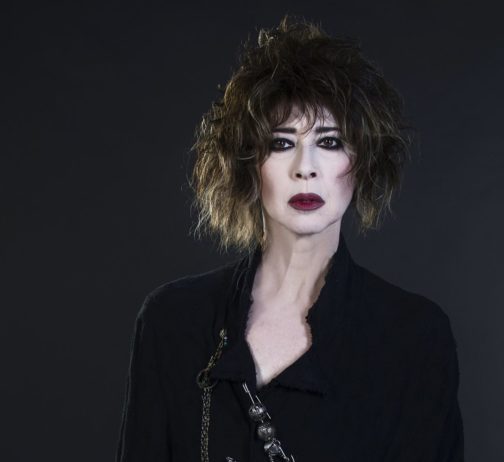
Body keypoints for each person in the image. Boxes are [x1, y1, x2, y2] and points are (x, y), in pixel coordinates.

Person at [115, 15, 464, 462]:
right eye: (281, 143)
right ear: (249, 163)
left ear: (362, 161)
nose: (305, 168)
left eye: (331, 142)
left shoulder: (414, 337)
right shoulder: (172, 321)